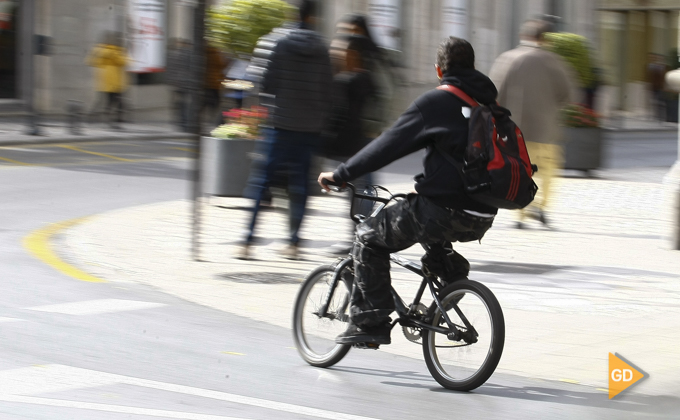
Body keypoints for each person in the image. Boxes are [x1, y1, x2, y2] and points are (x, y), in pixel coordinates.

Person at [318, 37, 498, 345]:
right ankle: (452, 276)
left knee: (367, 238)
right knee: (429, 225)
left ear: (439, 70)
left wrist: (341, 174)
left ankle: (369, 321)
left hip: (442, 210)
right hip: (482, 214)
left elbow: (388, 145)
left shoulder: (437, 102)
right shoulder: (485, 105)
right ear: (472, 68)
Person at [239, 0, 333, 261]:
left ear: (293, 14)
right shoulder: (323, 49)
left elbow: (267, 83)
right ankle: (293, 243)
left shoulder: (280, 44)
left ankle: (247, 241)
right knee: (300, 185)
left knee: (261, 183)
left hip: (280, 125)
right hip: (310, 128)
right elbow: (328, 90)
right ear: (313, 17)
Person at [489, 19, 572, 229]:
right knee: (547, 170)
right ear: (545, 38)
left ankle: (521, 214)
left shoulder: (507, 59)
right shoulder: (554, 61)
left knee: (521, 171)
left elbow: (494, 94)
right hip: (546, 130)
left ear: (524, 36)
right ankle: (541, 207)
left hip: (516, 131)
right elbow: (567, 94)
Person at [324, 34, 377, 255]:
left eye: (342, 51)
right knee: (362, 193)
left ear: (353, 54)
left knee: (359, 194)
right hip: (364, 145)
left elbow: (336, 115)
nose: (338, 55)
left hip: (353, 147)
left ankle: (361, 239)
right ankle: (362, 237)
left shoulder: (345, 82)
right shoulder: (366, 80)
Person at [87, 32, 129, 129]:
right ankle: (112, 121)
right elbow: (124, 62)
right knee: (113, 102)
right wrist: (121, 53)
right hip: (113, 81)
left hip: (104, 80)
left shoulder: (99, 50)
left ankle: (93, 117)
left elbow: (91, 61)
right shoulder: (114, 51)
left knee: (106, 101)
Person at [166, 38, 192, 131]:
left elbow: (171, 69)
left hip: (177, 83)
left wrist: (171, 81)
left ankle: (180, 121)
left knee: (179, 103)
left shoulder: (174, 54)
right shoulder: (190, 55)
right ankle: (185, 122)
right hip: (186, 83)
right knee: (186, 104)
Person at [647, 53, 668, 121]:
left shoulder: (664, 67)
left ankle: (661, 116)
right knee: (655, 101)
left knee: (661, 101)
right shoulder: (653, 67)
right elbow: (651, 77)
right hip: (655, 87)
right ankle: (656, 115)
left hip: (661, 87)